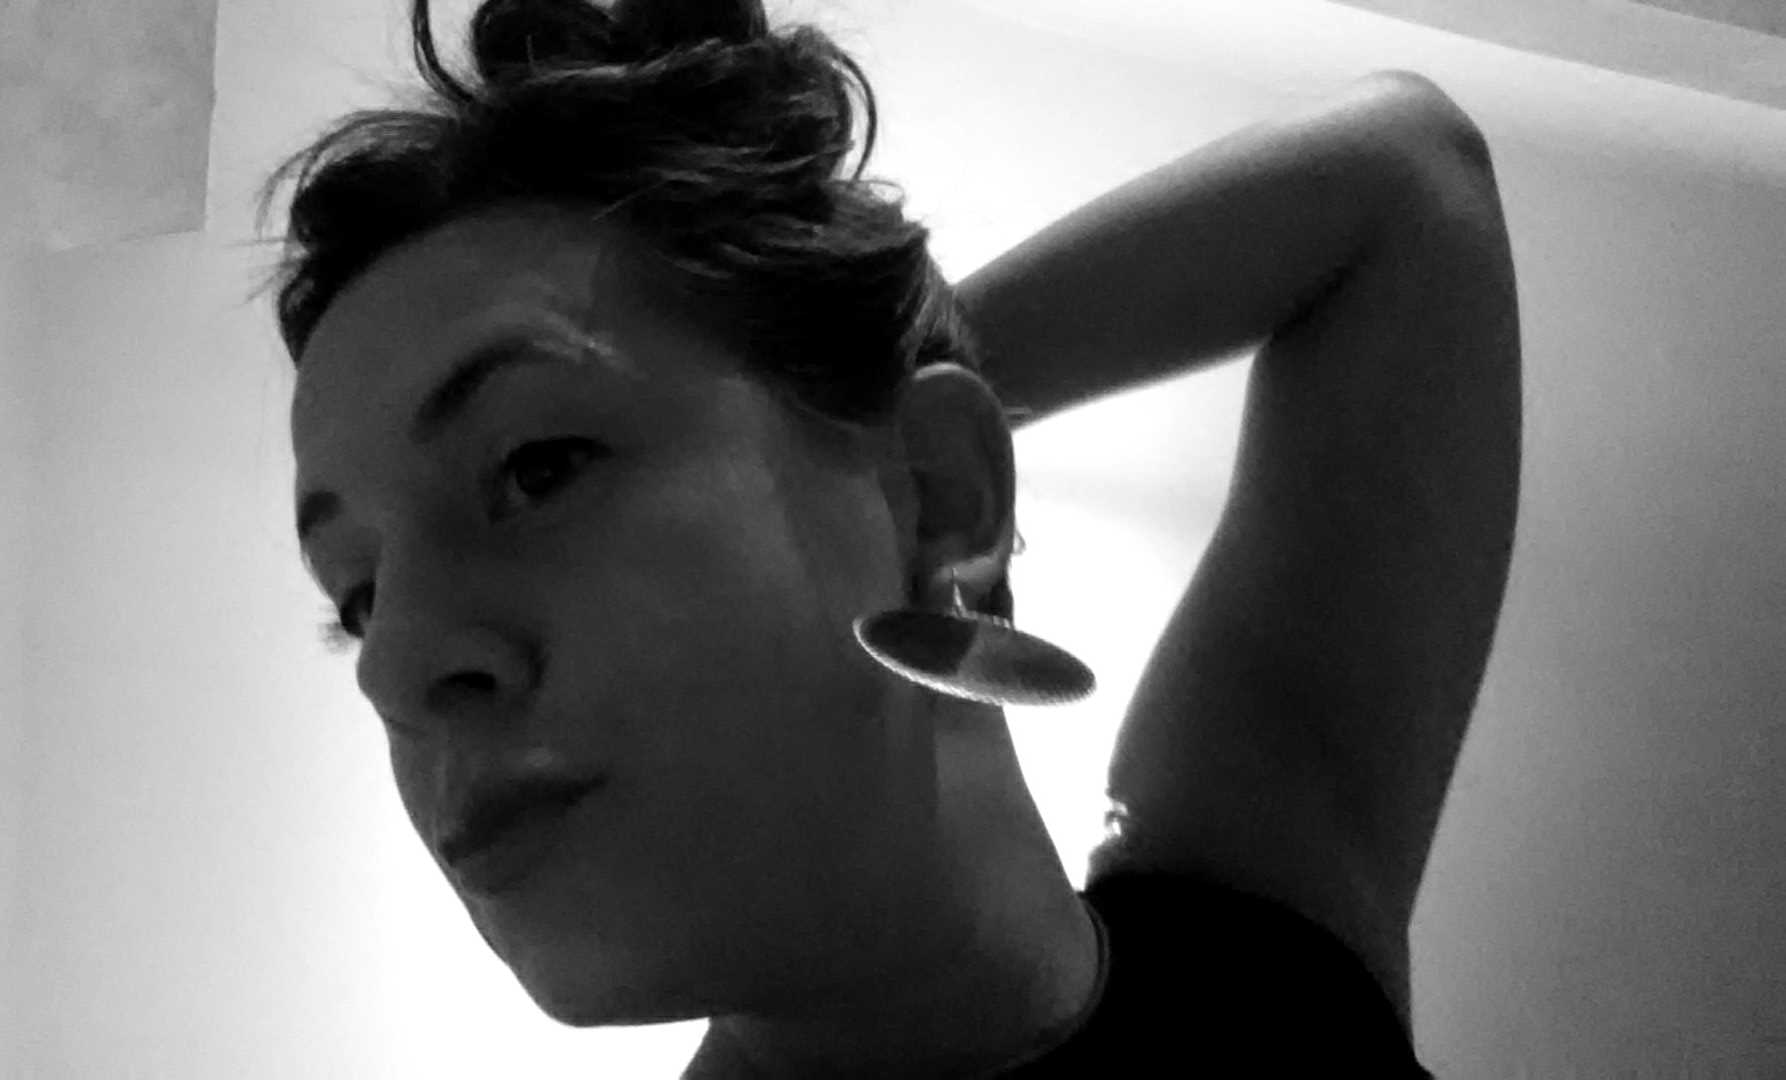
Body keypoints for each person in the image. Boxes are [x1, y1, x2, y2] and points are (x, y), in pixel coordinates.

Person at [260, 0, 1519, 1075]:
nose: (395, 665)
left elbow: (1406, 176)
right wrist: (860, 427)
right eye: (358, 594)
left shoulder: (1263, 938)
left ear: (944, 491)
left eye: (538, 466)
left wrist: (870, 412)